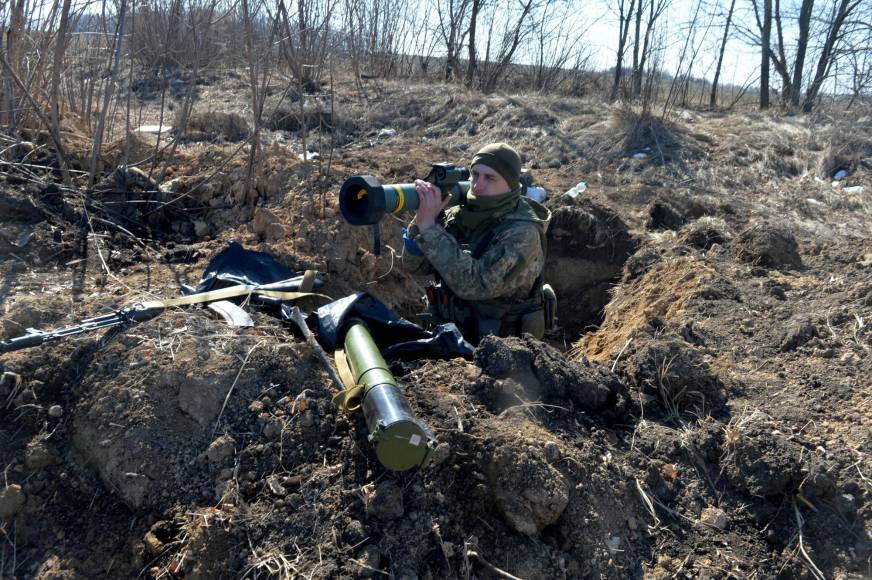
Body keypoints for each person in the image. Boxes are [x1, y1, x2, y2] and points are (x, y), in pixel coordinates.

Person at [402, 143, 552, 343]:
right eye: (475, 175)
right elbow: (416, 266)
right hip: (451, 339)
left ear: (511, 183)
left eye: (490, 178)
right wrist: (422, 223)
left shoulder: (522, 232)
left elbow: (476, 285)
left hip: (503, 351)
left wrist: (429, 230)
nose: (477, 185)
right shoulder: (459, 215)